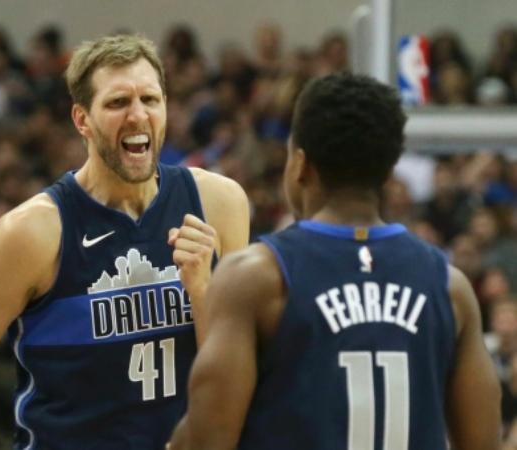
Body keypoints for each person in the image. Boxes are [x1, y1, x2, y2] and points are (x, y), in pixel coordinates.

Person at [0, 34, 250, 450]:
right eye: (118, 103)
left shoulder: (220, 203)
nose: (138, 115)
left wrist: (203, 292)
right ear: (82, 120)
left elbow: (236, 380)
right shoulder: (31, 233)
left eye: (150, 99)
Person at [168, 73, 501, 450]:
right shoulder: (450, 287)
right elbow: (484, 443)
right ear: (388, 171)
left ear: (300, 165)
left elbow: (206, 441)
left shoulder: (257, 277)